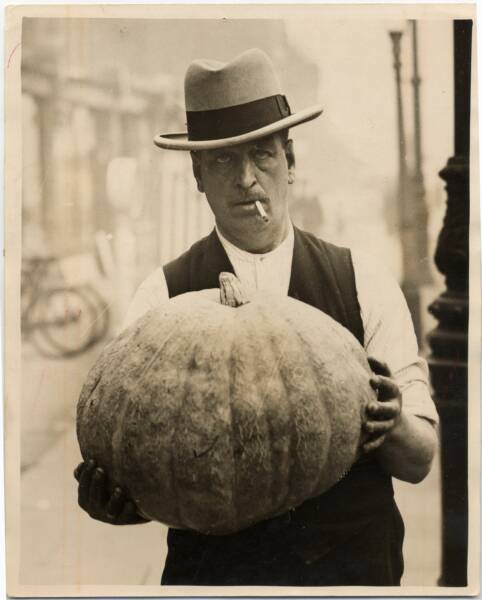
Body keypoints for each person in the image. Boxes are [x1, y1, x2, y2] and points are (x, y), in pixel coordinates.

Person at [74, 48, 438, 586]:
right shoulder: (163, 296)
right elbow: (147, 465)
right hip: (220, 581)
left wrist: (394, 423)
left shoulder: (361, 280)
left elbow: (420, 460)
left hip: (350, 574)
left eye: (262, 155)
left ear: (290, 161)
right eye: (223, 161)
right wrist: (121, 499)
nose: (246, 178)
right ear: (197, 174)